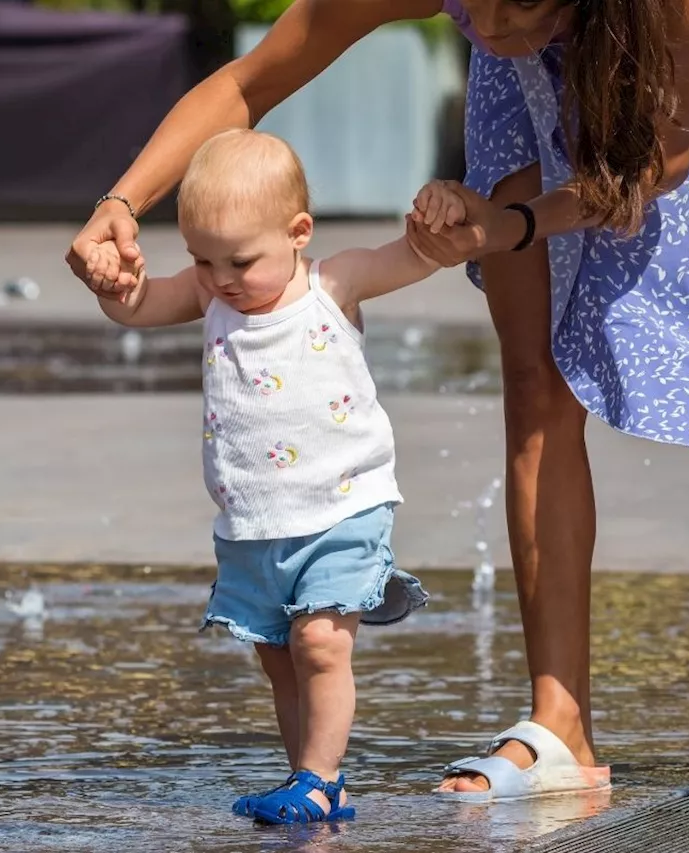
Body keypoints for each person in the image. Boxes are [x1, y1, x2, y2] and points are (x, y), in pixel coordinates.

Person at [68, 0, 689, 817]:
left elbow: (656, 166)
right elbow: (249, 80)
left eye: (508, 11)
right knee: (535, 379)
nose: (480, 30)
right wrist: (122, 204)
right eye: (467, 8)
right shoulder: (495, 31)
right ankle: (561, 723)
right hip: (526, 96)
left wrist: (514, 222)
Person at [90, 128, 432, 823]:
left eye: (239, 261)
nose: (218, 278)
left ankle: (318, 778)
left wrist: (441, 224)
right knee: (280, 658)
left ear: (298, 232)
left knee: (319, 642)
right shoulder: (211, 292)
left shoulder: (335, 284)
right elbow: (138, 306)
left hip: (342, 508)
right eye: (201, 259)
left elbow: (418, 256)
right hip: (253, 524)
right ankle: (305, 778)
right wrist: (111, 286)